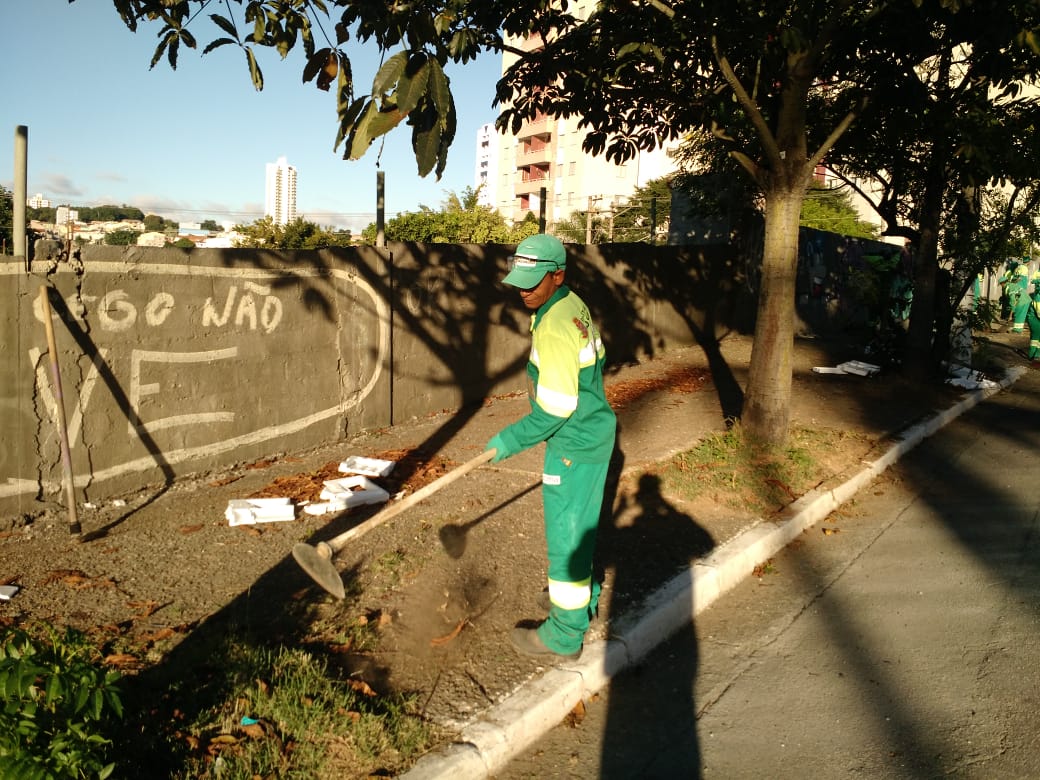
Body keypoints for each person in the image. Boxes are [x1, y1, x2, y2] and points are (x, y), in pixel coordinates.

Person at [485, 234, 617, 660]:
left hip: (572, 445)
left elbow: (554, 409)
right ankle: (581, 597)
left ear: (558, 274)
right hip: (594, 432)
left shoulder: (556, 324)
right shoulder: (568, 305)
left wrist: (508, 441)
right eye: (520, 281)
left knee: (566, 540)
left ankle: (564, 633)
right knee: (580, 528)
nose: (524, 290)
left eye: (534, 281)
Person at [1027, 270, 1040, 367]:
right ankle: (1036, 357)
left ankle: (1033, 356)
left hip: (1035, 318)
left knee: (1035, 339)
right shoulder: (1038, 298)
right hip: (1035, 319)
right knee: (1036, 338)